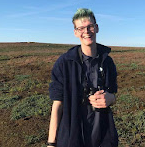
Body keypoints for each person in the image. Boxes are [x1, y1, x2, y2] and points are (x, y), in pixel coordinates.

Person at [47, 8, 118, 147]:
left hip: (102, 136)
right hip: (72, 137)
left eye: (90, 26)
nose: (86, 31)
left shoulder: (108, 62)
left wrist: (111, 98)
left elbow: (113, 94)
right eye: (80, 28)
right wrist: (51, 143)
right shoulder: (64, 63)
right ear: (75, 33)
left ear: (96, 28)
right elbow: (57, 105)